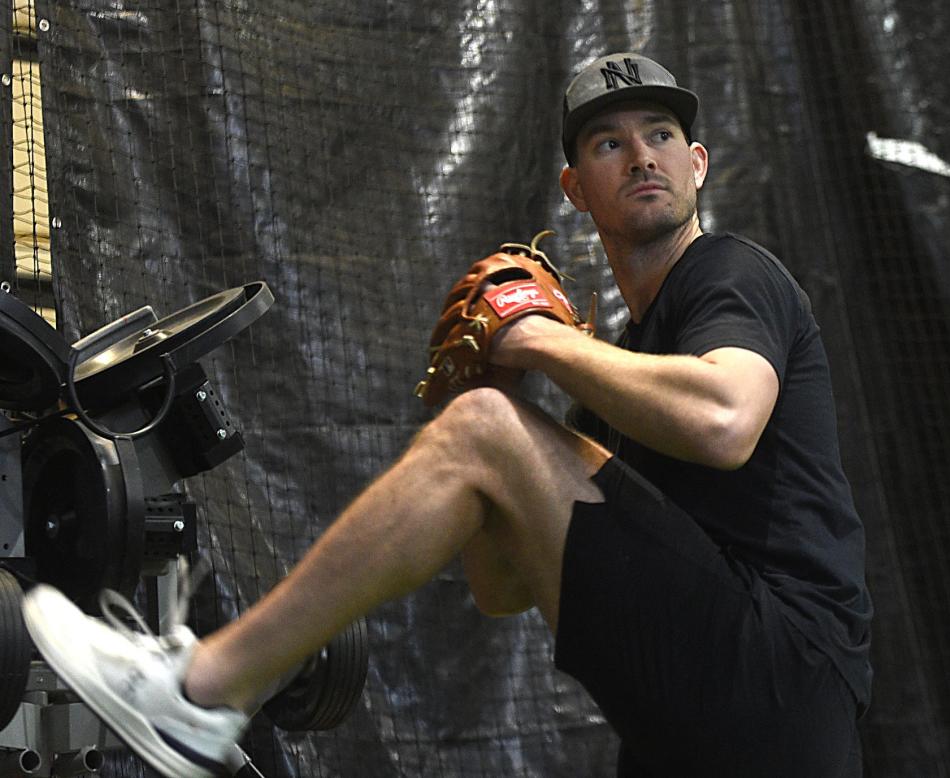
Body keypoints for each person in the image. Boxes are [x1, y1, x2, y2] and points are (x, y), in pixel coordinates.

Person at [22, 52, 872, 777]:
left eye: (658, 135)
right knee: (482, 428)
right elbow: (501, 590)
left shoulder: (728, 272)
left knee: (483, 435)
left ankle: (201, 692)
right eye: (609, 143)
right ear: (576, 189)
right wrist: (483, 400)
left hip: (781, 672)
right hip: (690, 724)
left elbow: (725, 421)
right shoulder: (613, 376)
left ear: (698, 163)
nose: (640, 157)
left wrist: (532, 343)